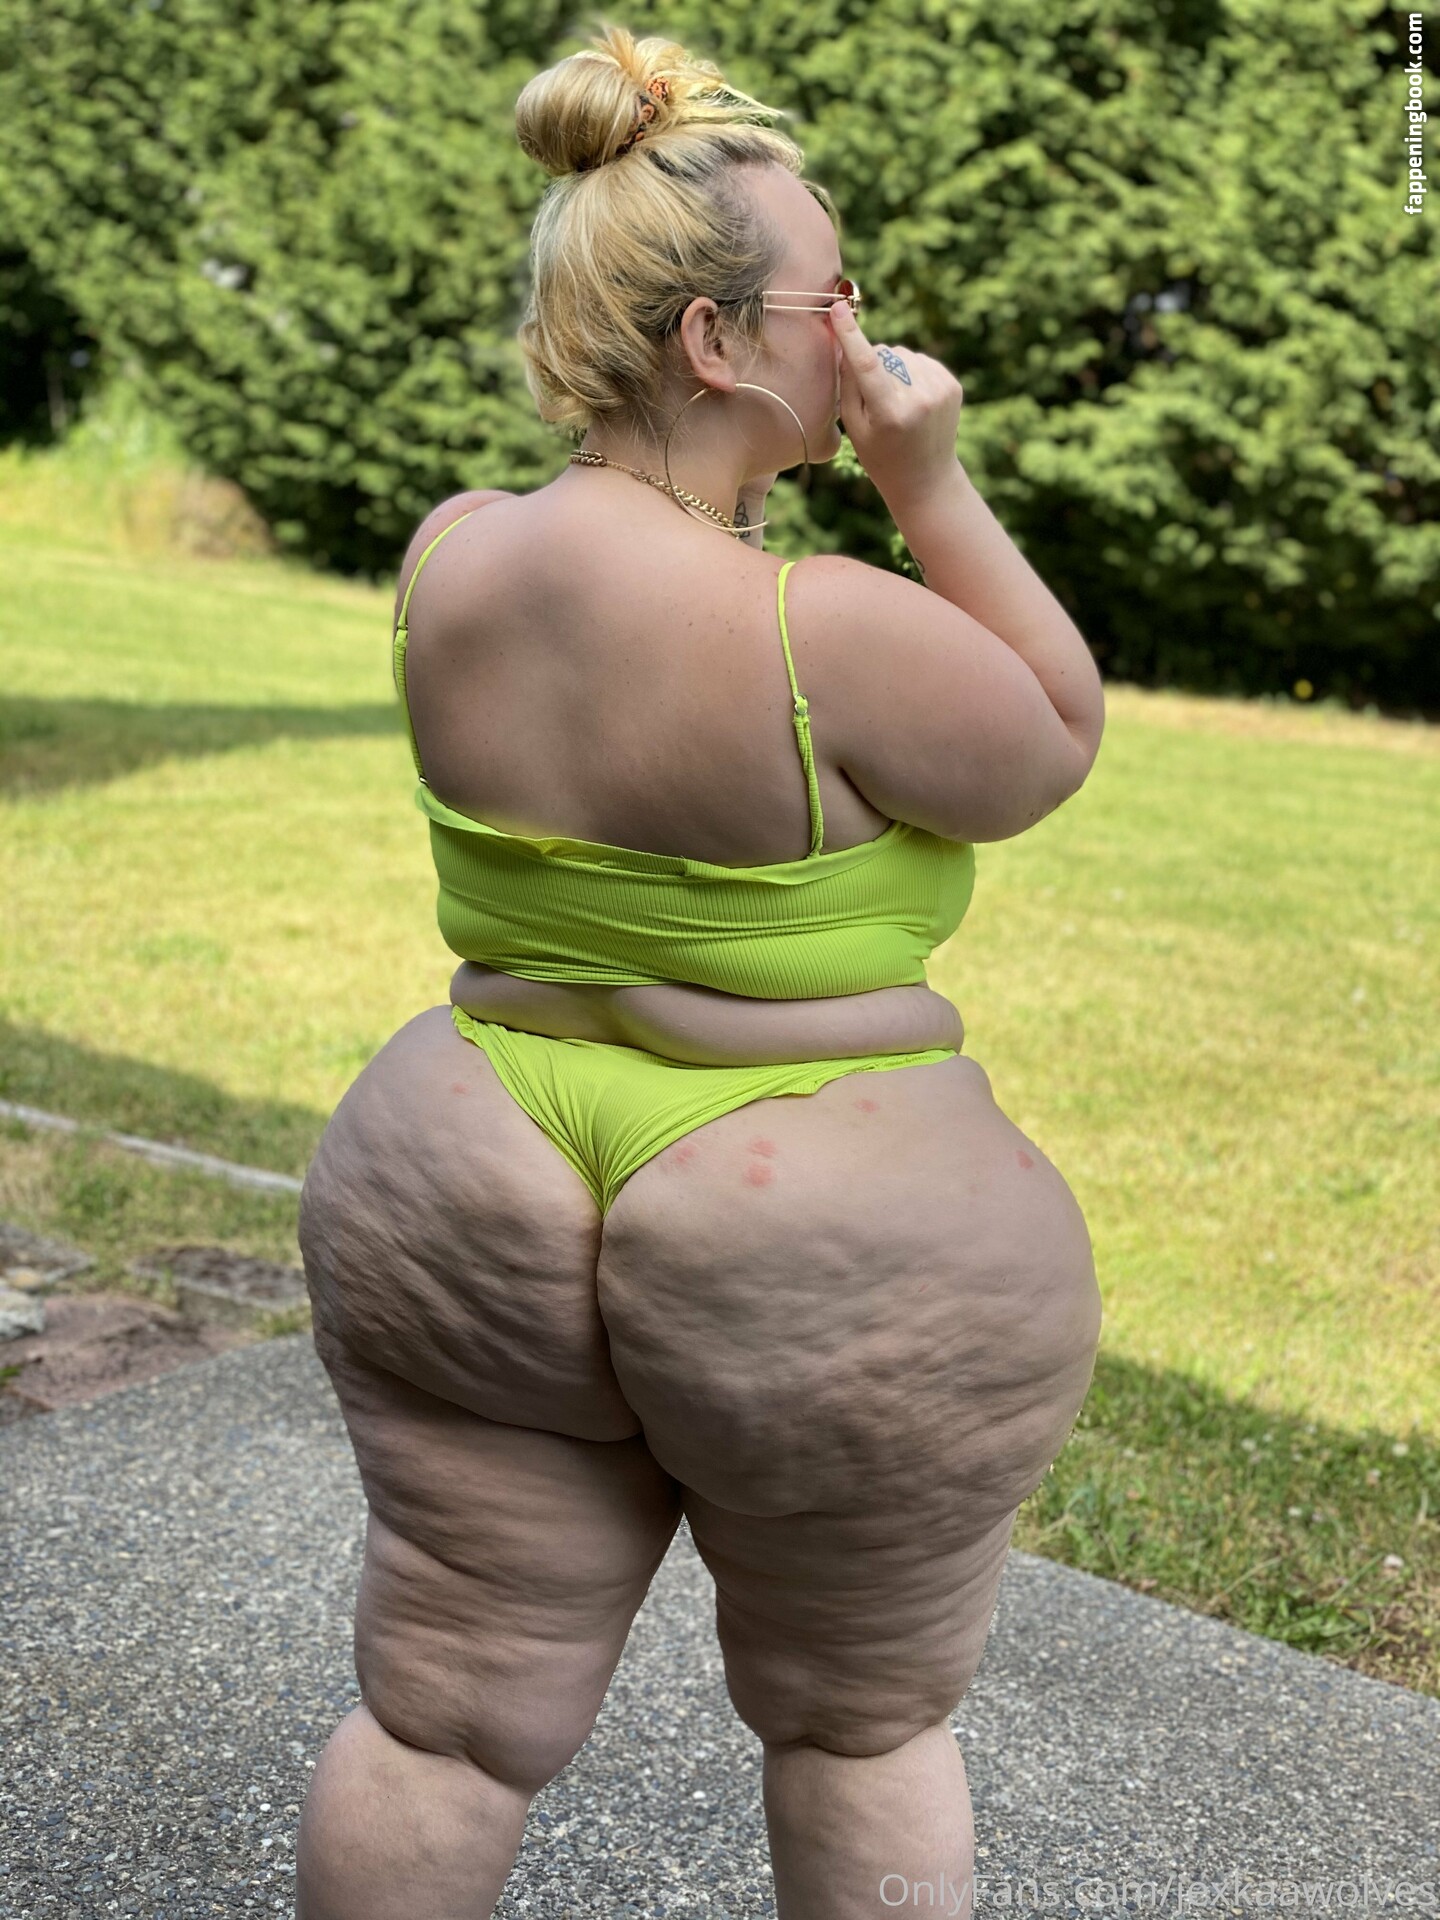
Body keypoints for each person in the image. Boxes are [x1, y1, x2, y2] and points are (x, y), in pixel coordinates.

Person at [294, 23, 1105, 1920]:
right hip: (813, 1227)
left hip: (462, 1164)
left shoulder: (453, 555)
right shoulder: (831, 625)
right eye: (838, 298)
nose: (865, 336)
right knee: (856, 1730)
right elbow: (1053, 736)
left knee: (439, 1721)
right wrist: (929, 482)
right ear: (717, 341)